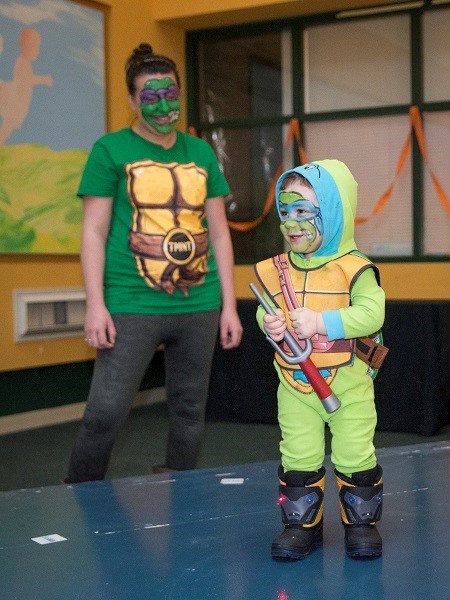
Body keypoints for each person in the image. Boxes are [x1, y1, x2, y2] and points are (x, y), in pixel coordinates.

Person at [65, 43, 242, 483]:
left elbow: (219, 232)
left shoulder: (201, 153)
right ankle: (79, 489)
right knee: (105, 411)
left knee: (188, 408)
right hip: (130, 303)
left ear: (181, 93)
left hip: (198, 304)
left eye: (171, 95)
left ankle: (179, 484)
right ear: (131, 101)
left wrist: (230, 306)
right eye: (150, 96)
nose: (164, 106)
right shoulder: (110, 150)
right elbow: (94, 232)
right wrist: (95, 304)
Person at [254, 160, 387, 560]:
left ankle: (361, 526)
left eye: (303, 211)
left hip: (348, 387)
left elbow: (372, 314)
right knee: (298, 454)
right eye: (284, 211)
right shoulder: (275, 270)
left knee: (355, 452)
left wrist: (321, 321)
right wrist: (270, 324)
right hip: (295, 387)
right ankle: (300, 528)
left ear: (333, 211)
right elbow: (264, 311)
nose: (291, 222)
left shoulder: (356, 269)